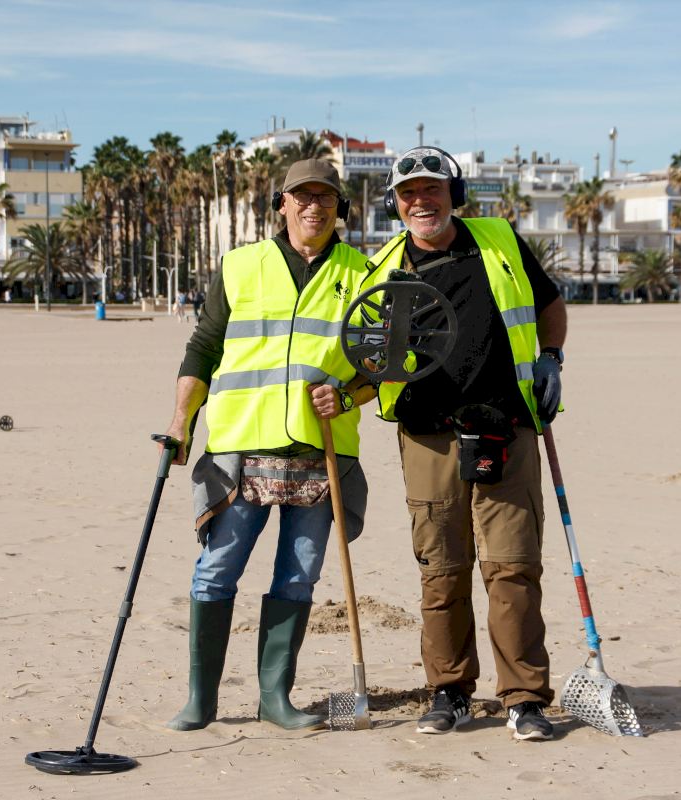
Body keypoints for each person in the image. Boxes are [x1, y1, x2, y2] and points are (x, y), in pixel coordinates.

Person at [159, 158, 382, 732]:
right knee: (216, 571)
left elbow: (382, 365)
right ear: (281, 204)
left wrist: (348, 395)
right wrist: (181, 421)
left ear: (340, 208)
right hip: (241, 445)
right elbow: (203, 348)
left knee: (297, 578)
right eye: (302, 196)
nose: (314, 206)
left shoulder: (364, 273)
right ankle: (201, 701)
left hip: (321, 449)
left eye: (326, 197)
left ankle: (275, 698)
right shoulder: (240, 265)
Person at [368, 146, 567, 741]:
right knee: (442, 570)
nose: (421, 202)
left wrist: (552, 359)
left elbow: (550, 304)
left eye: (432, 189)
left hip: (507, 425)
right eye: (408, 194)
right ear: (395, 204)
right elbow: (366, 355)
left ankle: (524, 698)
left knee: (513, 569)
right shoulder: (381, 269)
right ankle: (449, 691)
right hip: (427, 436)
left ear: (453, 195)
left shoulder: (498, 241)